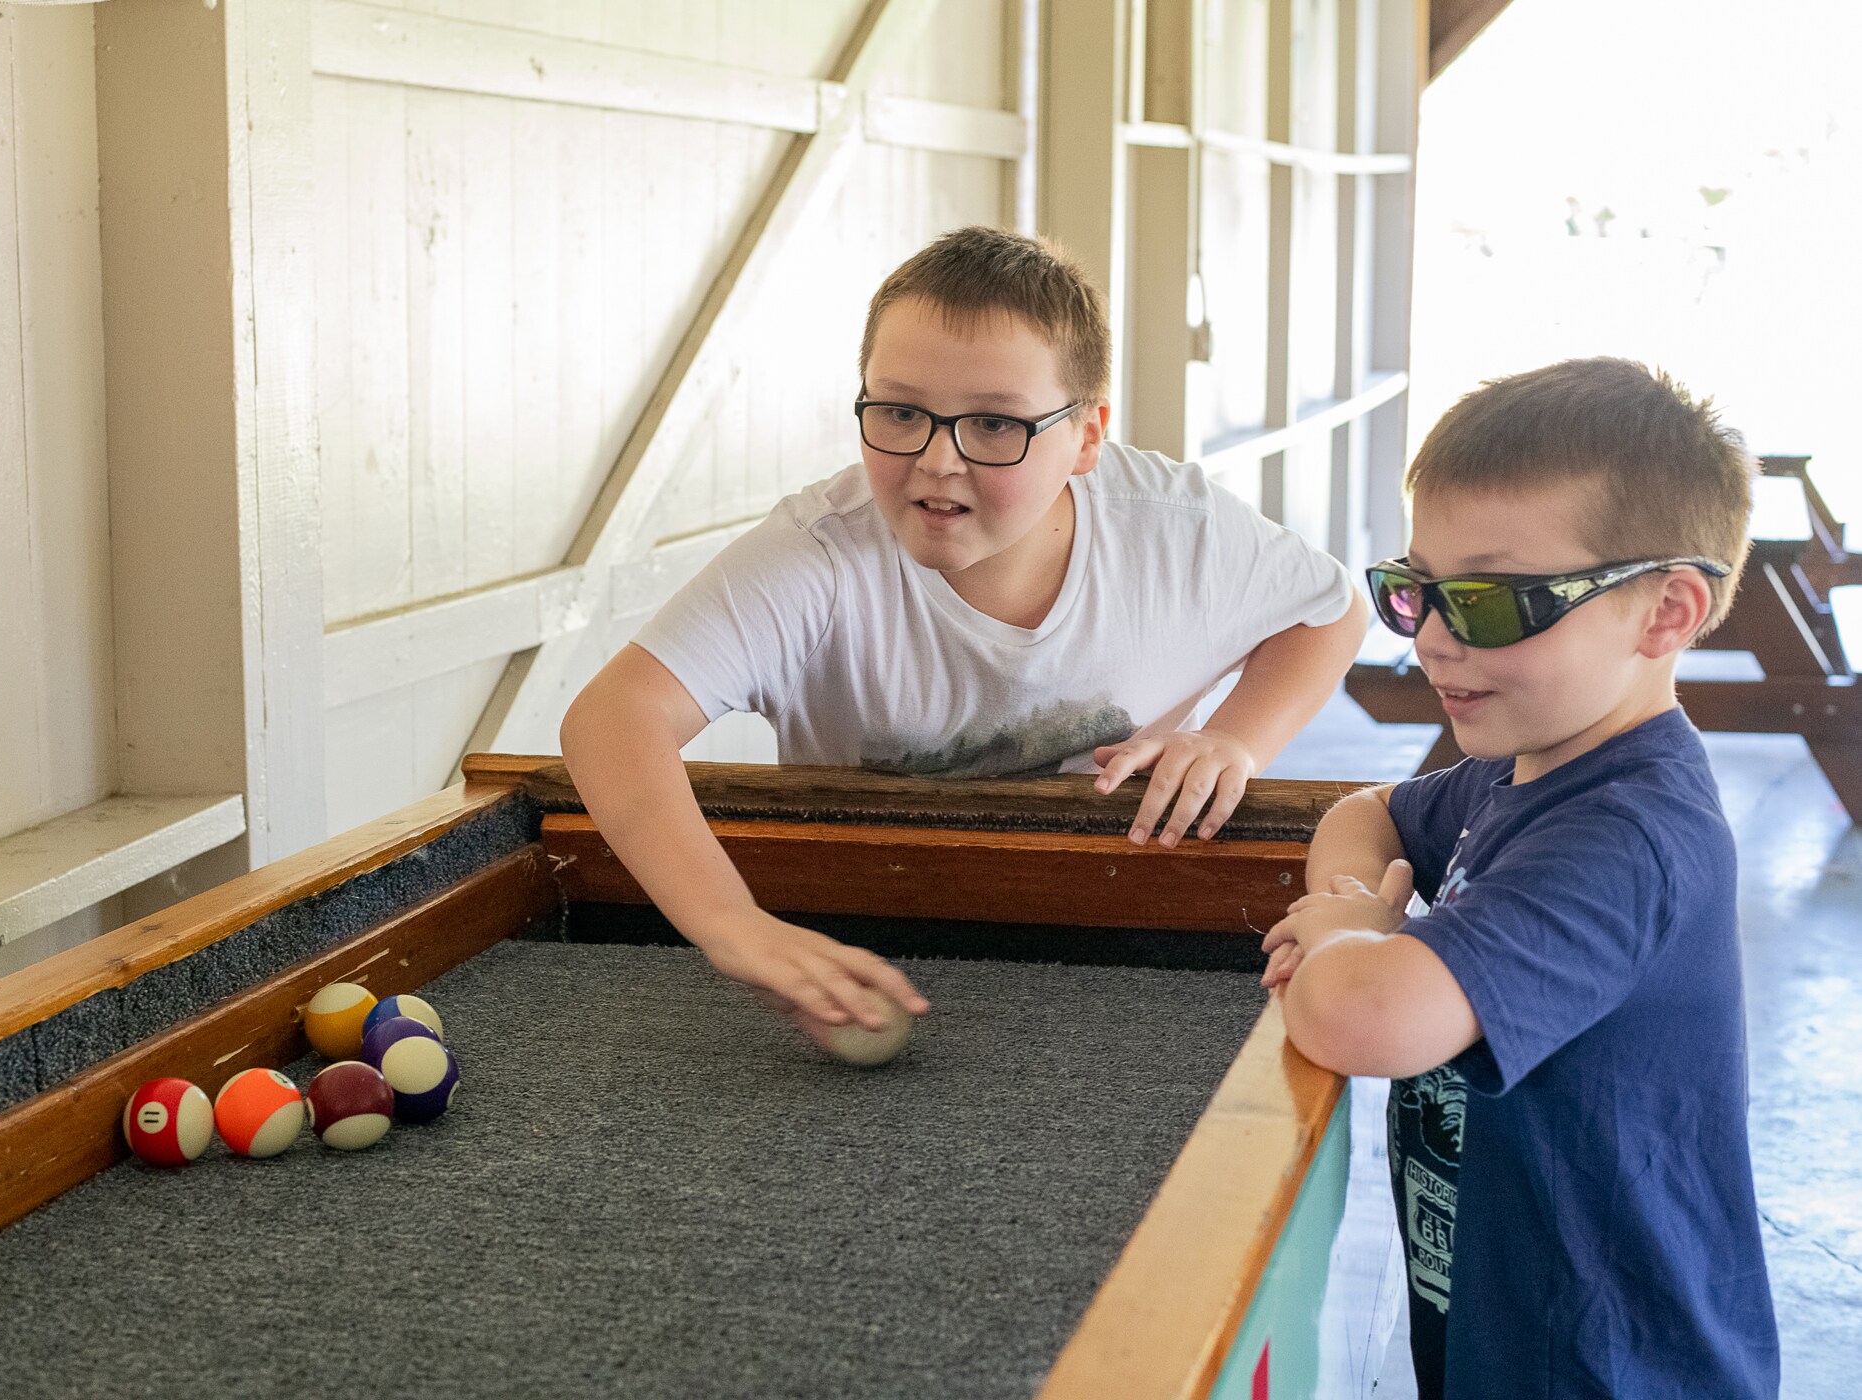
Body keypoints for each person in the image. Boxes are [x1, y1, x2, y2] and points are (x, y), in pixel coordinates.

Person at [560, 226, 1368, 1044]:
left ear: (1088, 436)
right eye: (902, 411)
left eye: (993, 425)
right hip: (877, 923)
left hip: (1128, 919)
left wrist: (1237, 739)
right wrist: (734, 924)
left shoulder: (1178, 533)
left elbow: (1331, 610)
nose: (937, 461)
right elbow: (613, 717)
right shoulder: (819, 557)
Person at [1262, 358, 1779, 1398]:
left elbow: (1365, 1017)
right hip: (1505, 1328)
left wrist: (1337, 936)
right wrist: (1362, 914)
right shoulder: (1518, 769)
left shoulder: (1626, 834)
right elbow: (1365, 813)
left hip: (1609, 1362)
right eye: (1418, 592)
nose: (1436, 640)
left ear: (1665, 613)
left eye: (1495, 603)